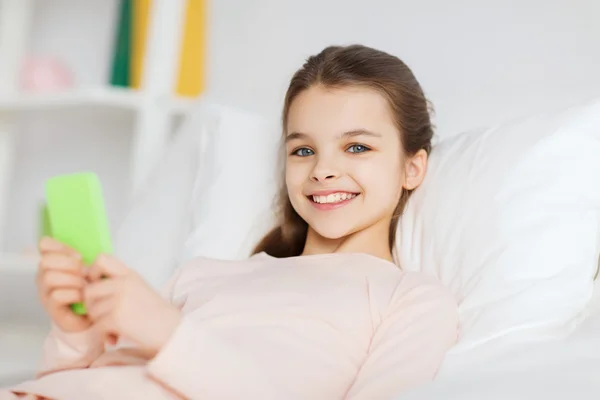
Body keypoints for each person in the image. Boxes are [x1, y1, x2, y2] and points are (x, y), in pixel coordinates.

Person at [1, 44, 458, 400]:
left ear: (412, 167)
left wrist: (168, 335)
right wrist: (74, 333)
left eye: (357, 147)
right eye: (303, 150)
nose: (322, 169)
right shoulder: (205, 273)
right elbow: (77, 384)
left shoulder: (411, 300)